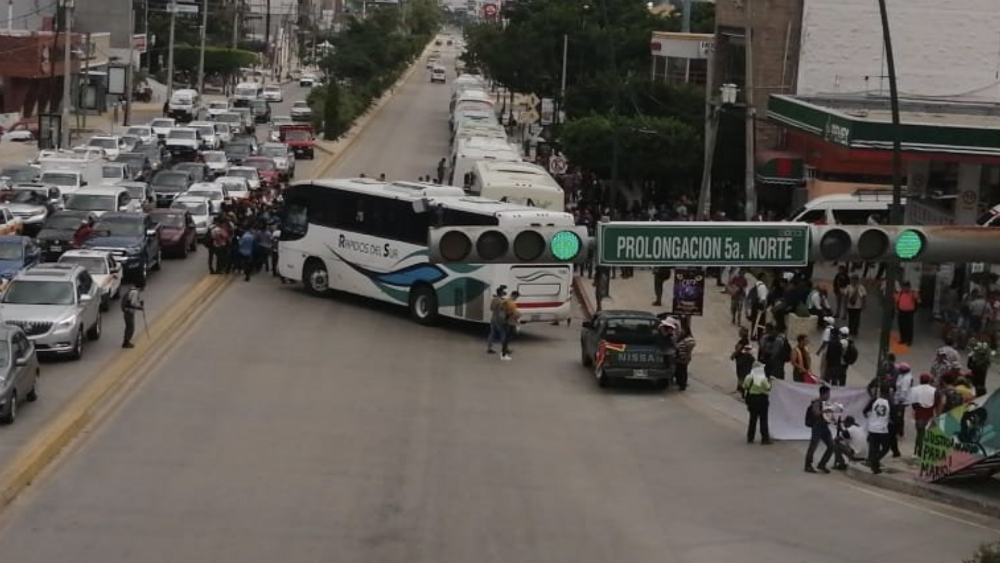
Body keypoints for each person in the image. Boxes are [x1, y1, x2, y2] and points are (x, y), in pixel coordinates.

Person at [805, 385, 835, 473]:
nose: (829, 395)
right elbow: (816, 413)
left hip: (824, 427)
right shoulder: (817, 402)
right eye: (828, 393)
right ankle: (808, 465)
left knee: (831, 446)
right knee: (813, 446)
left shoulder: (826, 403)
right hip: (817, 427)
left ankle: (822, 464)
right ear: (823, 394)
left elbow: (828, 416)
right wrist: (824, 411)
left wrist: (832, 417)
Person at [865, 384, 892, 474]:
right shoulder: (889, 403)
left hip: (872, 428)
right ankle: (875, 460)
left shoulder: (874, 400)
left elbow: (865, 411)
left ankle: (875, 468)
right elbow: (893, 416)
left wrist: (872, 417)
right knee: (886, 448)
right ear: (888, 393)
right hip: (882, 429)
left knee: (874, 447)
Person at [742, 363, 772, 444]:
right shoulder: (763, 379)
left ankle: (750, 437)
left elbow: (744, 386)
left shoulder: (748, 377)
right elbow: (768, 388)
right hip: (762, 399)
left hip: (752, 399)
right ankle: (765, 439)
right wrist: (770, 382)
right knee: (763, 419)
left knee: (752, 419)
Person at [909, 373, 937, 457]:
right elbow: (935, 402)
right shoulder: (934, 390)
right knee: (925, 433)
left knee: (919, 433)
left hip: (919, 413)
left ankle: (917, 451)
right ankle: (921, 450)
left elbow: (913, 404)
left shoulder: (914, 389)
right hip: (929, 413)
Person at [121, 282, 145, 349]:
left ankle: (126, 341)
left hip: (127, 312)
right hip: (129, 312)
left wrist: (139, 303)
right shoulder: (135, 292)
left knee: (128, 327)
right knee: (131, 328)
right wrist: (139, 307)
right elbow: (132, 303)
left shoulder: (132, 290)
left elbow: (131, 301)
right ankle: (126, 342)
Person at [894, 281, 919, 346]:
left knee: (909, 327)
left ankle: (909, 340)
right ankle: (903, 339)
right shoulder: (900, 293)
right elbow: (896, 301)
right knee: (902, 326)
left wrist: (915, 294)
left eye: (907, 287)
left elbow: (917, 300)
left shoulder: (912, 293)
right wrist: (897, 309)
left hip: (909, 312)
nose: (905, 288)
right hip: (901, 312)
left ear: (909, 287)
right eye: (904, 287)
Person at [500, 291, 520, 360]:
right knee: (507, 338)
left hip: (504, 321)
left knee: (505, 337)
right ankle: (504, 355)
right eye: (516, 297)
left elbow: (501, 309)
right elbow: (511, 313)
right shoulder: (511, 303)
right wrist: (517, 315)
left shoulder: (505, 301)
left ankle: (503, 352)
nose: (516, 299)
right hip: (509, 322)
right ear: (514, 296)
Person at [486, 286, 507, 354]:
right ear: (501, 293)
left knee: (492, 334)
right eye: (503, 292)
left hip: (493, 318)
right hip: (499, 319)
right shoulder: (501, 301)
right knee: (503, 334)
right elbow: (503, 310)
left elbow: (491, 308)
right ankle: (504, 348)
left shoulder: (493, 299)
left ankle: (489, 348)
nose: (504, 293)